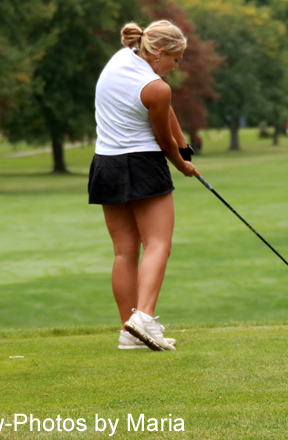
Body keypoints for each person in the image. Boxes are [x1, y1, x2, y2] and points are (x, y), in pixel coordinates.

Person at [88, 20, 196, 352]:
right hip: (144, 164)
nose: (176, 67)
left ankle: (130, 332)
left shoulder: (122, 58)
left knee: (124, 252)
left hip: (105, 165)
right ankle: (144, 318)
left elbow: (165, 114)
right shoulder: (157, 88)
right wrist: (183, 165)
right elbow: (163, 141)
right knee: (158, 243)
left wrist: (184, 144)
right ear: (160, 52)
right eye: (175, 60)